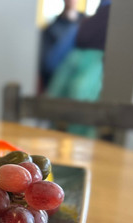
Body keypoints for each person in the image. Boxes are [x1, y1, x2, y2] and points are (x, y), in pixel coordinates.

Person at [46, 0, 112, 137]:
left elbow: (52, 61)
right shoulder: (115, 22)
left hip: (75, 78)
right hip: (90, 78)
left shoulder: (84, 24)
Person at [39, 0, 85, 90]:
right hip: (56, 77)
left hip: (79, 77)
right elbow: (46, 63)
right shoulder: (53, 27)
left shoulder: (86, 24)